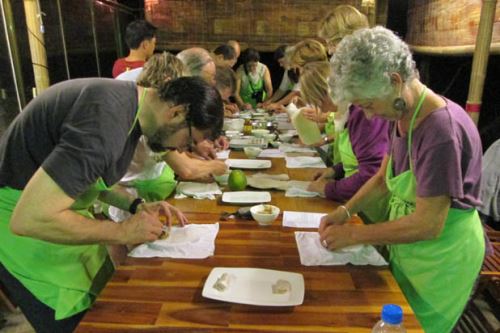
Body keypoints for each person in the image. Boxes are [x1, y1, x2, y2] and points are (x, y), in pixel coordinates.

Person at [0, 76, 223, 331]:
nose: (184, 149)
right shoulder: (105, 123)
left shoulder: (130, 108)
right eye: (189, 140)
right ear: (177, 113)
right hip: (20, 223)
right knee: (83, 321)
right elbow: (29, 218)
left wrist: (135, 205)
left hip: (54, 209)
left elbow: (88, 182)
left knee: (108, 298)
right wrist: (122, 231)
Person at [320, 26, 485, 333]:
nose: (368, 116)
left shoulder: (440, 132)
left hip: (441, 259)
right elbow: (384, 178)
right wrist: (345, 212)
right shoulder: (403, 115)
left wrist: (354, 236)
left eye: (369, 105)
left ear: (394, 81)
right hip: (412, 250)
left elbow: (428, 224)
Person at [264, 39, 327, 112]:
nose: (300, 72)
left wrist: (277, 104)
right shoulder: (293, 72)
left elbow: (331, 113)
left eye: (300, 67)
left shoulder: (325, 79)